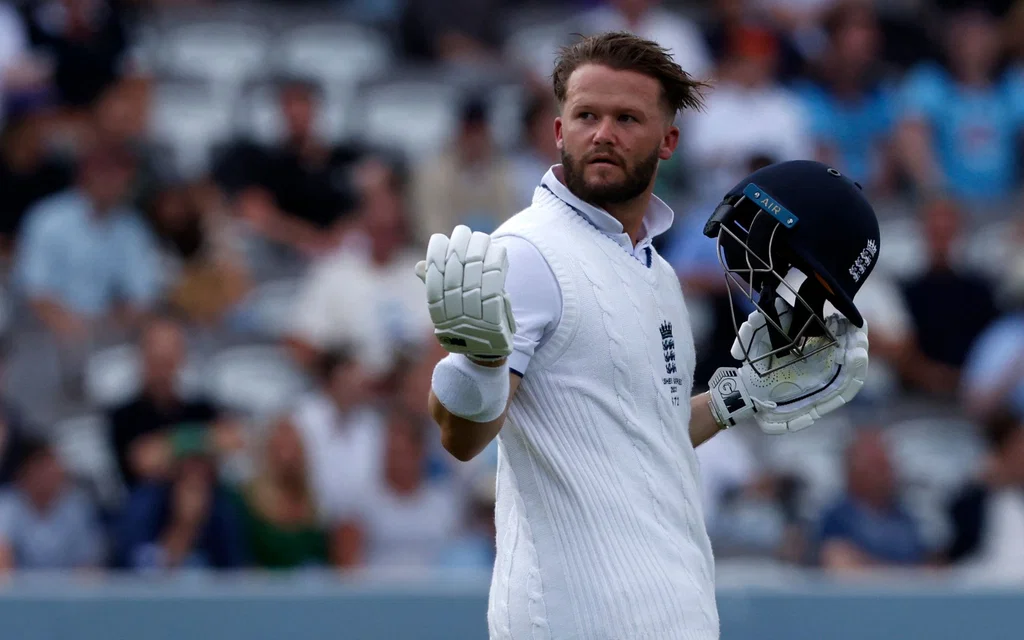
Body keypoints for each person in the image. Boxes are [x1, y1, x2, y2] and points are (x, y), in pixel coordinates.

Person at [416, 32, 875, 640]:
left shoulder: (654, 270)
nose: (603, 133)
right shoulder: (527, 252)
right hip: (575, 619)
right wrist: (478, 367)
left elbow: (641, 437)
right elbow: (462, 438)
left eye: (627, 117)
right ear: (559, 132)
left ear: (668, 142)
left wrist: (736, 397)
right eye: (586, 116)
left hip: (670, 610)